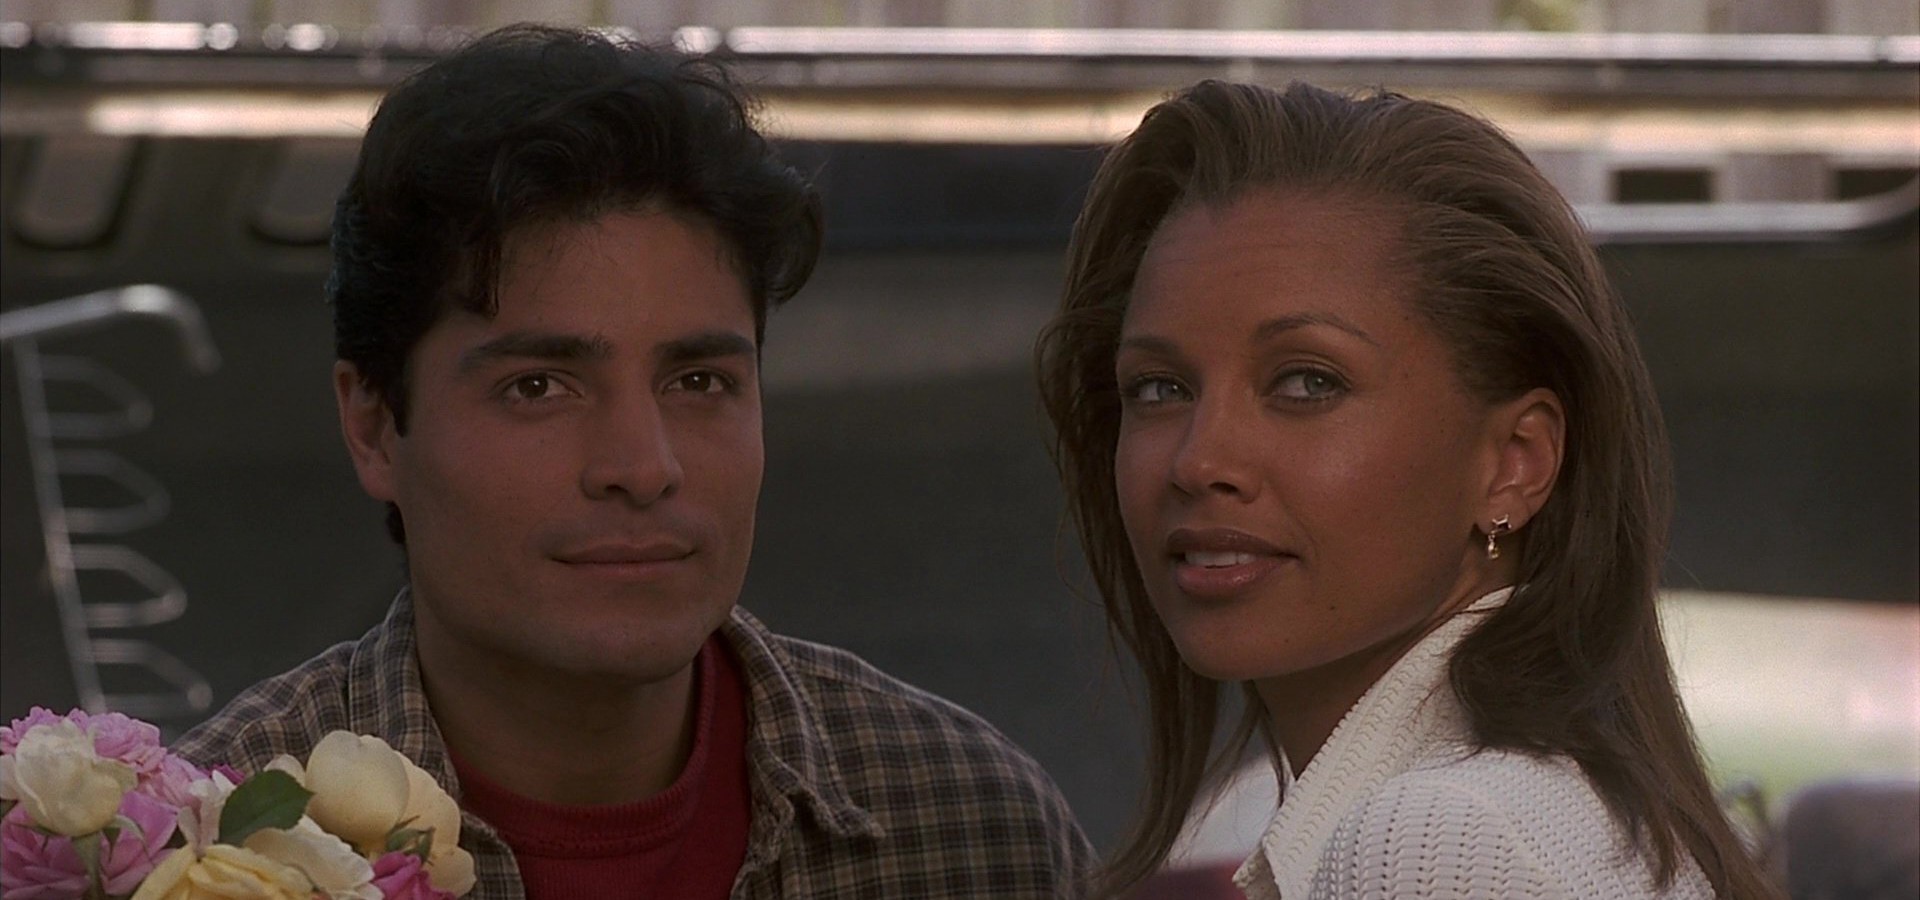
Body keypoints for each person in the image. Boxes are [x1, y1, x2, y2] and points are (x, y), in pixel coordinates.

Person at [174, 24, 1092, 899]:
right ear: (374, 427)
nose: (642, 467)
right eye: (539, 387)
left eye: (698, 381)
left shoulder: (975, 825)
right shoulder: (195, 850)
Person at [1035, 80, 1781, 899]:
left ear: (1515, 462)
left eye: (1307, 382)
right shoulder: (1553, 817)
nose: (1198, 459)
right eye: (1157, 388)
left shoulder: (1442, 841)